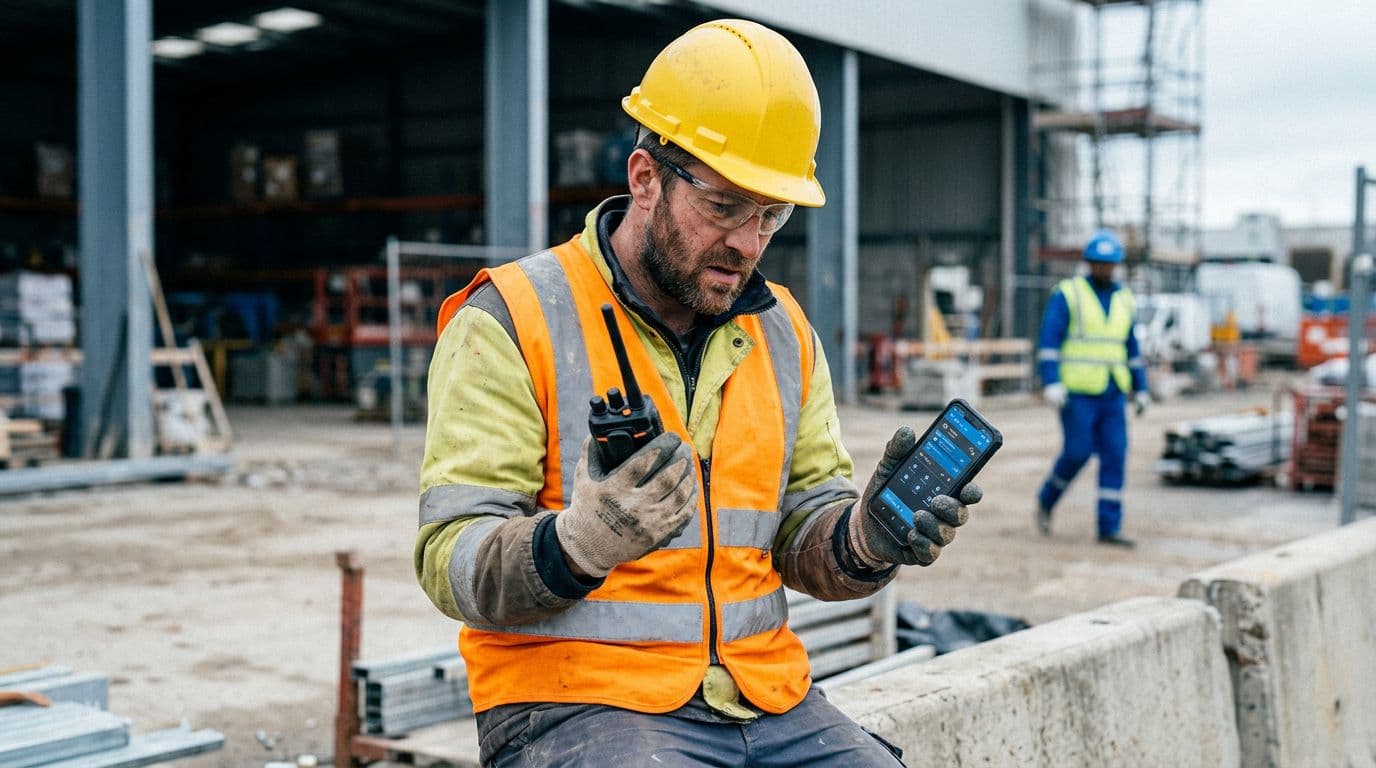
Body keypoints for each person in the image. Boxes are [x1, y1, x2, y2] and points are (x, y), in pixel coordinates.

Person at [416, 18, 982, 768]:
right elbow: (448, 556)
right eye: (725, 207)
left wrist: (866, 537)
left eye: (770, 216)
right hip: (576, 700)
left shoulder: (783, 332)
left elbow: (802, 528)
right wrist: (574, 545)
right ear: (645, 178)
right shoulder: (514, 319)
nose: (748, 243)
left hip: (764, 695)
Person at [1034, 229, 1150, 547]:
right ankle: (1046, 499)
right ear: (1088, 263)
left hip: (1113, 393)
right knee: (1078, 452)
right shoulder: (1068, 294)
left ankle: (1109, 527)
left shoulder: (1125, 299)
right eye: (1098, 263)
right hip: (1078, 393)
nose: (1104, 269)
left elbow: (1132, 347)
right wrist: (1052, 381)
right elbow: (1049, 342)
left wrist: (1141, 389)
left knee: (1115, 455)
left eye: (1109, 264)